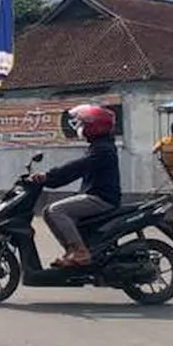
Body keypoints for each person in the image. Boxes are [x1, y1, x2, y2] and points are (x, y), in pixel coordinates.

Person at [31, 104, 121, 269]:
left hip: (101, 199)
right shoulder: (100, 147)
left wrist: (48, 177)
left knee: (55, 211)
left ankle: (80, 252)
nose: (80, 127)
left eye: (84, 124)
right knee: (48, 211)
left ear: (96, 126)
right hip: (97, 195)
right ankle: (71, 252)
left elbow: (75, 168)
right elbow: (76, 169)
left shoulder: (103, 150)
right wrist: (50, 179)